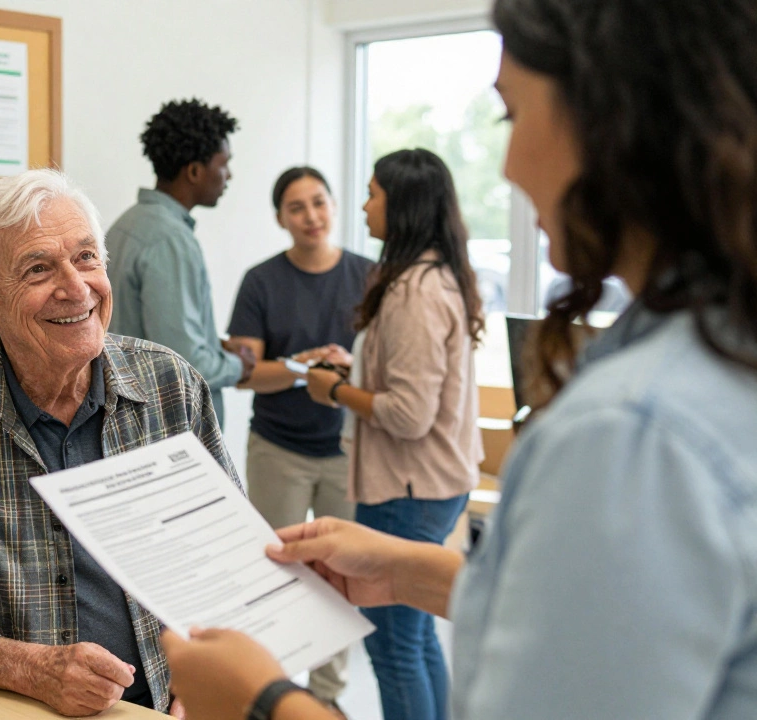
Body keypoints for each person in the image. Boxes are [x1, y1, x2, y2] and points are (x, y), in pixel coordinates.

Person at [159, 1, 757, 719]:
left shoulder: (631, 433)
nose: (507, 164)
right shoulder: (709, 356)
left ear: (612, 121)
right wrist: (414, 571)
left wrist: (260, 703)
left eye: (510, 115)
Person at [0, 169, 240, 718]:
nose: (76, 287)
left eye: (87, 257)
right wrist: (27, 668)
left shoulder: (171, 387)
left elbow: (227, 559)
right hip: (16, 709)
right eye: (39, 268)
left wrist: (201, 682)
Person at [301, 148, 483, 720]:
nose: (363, 204)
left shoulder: (414, 291)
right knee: (415, 637)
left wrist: (331, 391)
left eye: (373, 193)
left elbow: (408, 415)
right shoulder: (431, 277)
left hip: (410, 488)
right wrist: (357, 371)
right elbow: (416, 384)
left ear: (401, 206)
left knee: (392, 645)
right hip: (429, 485)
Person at [225, 166, 373, 713]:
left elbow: (388, 367)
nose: (311, 216)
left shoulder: (369, 276)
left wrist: (352, 365)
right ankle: (275, 693)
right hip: (278, 449)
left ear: (334, 205)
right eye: (296, 207)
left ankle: (328, 700)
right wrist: (299, 365)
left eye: (318, 202)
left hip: (348, 453)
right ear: (280, 218)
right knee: (276, 572)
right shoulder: (262, 281)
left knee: (341, 578)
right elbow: (244, 372)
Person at [107, 98, 256, 428]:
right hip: (167, 429)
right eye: (224, 163)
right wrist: (237, 366)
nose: (228, 175)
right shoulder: (170, 240)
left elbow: (147, 331)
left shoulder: (126, 225)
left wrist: (214, 344)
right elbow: (184, 361)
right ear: (194, 171)